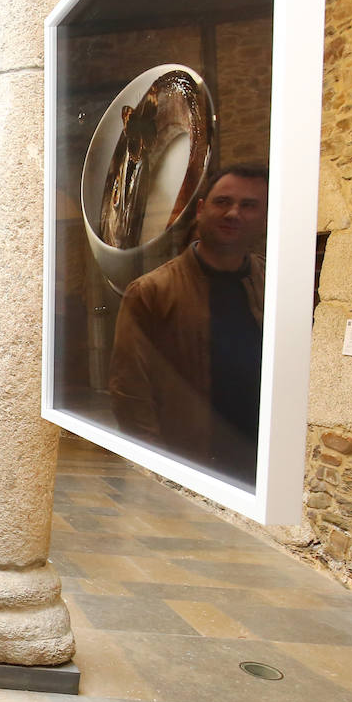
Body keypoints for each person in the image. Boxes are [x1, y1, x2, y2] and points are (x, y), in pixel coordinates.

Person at [108, 164, 269, 487]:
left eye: (249, 205)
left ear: (265, 218)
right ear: (200, 209)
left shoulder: (274, 286)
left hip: (256, 467)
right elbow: (130, 391)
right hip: (188, 466)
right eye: (223, 201)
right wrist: (159, 473)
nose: (234, 213)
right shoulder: (152, 292)